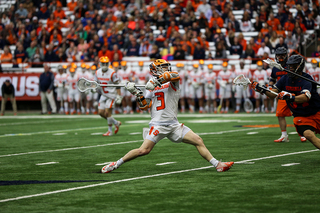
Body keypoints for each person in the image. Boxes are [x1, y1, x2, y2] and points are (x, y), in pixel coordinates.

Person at [101, 59, 234, 173]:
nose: (166, 68)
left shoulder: (170, 81)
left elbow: (175, 75)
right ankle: (115, 164)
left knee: (198, 140)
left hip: (174, 124)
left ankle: (218, 165)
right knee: (143, 151)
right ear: (156, 70)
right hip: (158, 124)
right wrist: (136, 93)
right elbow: (144, 106)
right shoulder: (150, 84)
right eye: (163, 67)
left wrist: (156, 81)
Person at [251, 55, 320, 149]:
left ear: (299, 66)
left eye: (293, 66)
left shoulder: (306, 79)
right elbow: (273, 94)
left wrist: (291, 97)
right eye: (289, 66)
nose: (290, 68)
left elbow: (305, 97)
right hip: (300, 115)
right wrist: (262, 89)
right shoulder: (284, 79)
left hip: (316, 111)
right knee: (308, 134)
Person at [268, 47, 306, 143]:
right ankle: (284, 135)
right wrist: (269, 86)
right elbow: (272, 78)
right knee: (280, 114)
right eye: (278, 55)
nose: (280, 57)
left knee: (297, 113)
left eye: (282, 55)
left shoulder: (291, 65)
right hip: (281, 94)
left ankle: (302, 134)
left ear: (286, 55)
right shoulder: (276, 67)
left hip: (293, 91)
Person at [95, 56, 122, 136]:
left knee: (107, 113)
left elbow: (117, 85)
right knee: (100, 112)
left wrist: (119, 96)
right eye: (103, 63)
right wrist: (94, 89)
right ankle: (116, 122)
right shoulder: (97, 72)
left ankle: (110, 131)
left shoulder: (112, 72)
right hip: (103, 94)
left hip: (111, 95)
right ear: (100, 64)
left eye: (106, 63)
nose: (104, 65)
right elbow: (96, 84)